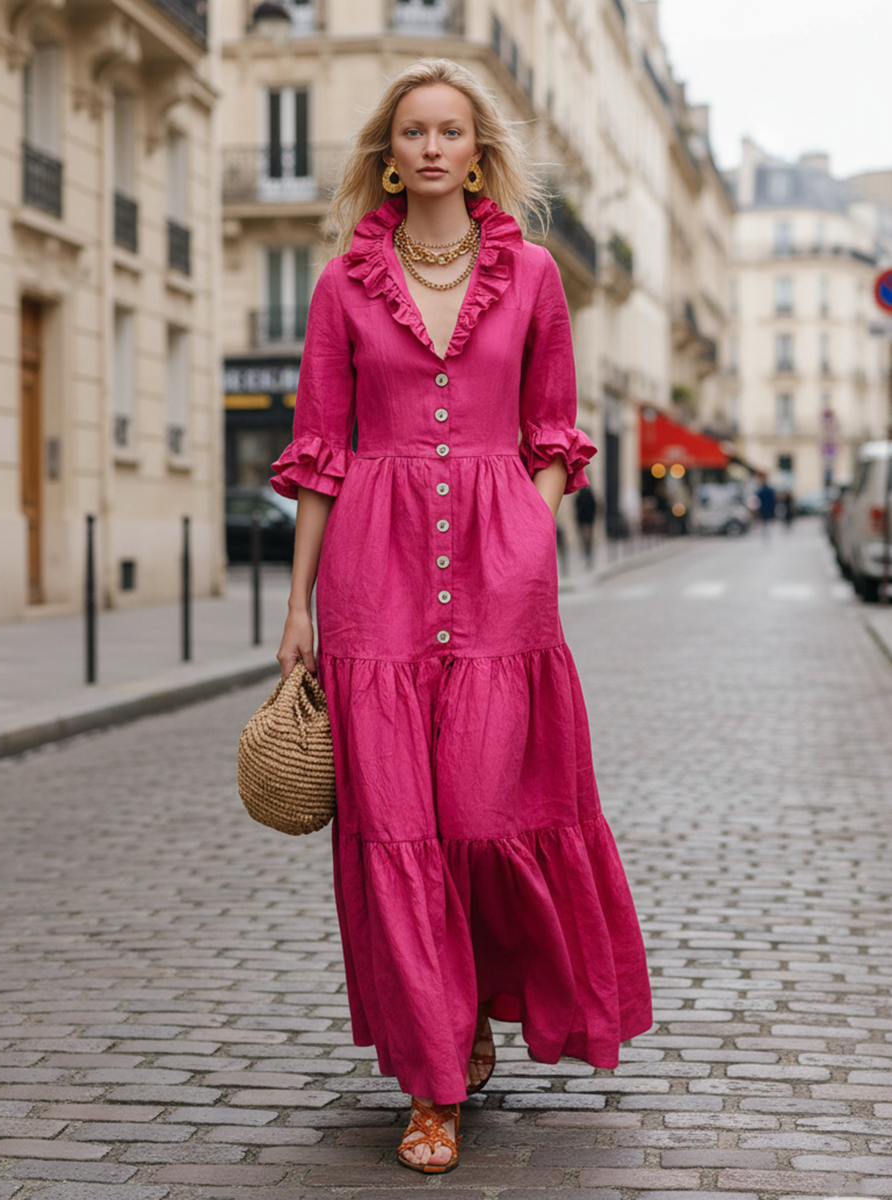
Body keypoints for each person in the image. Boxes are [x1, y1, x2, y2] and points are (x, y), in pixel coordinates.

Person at [271, 59, 651, 1175]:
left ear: (477, 151)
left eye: (451, 130)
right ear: (388, 156)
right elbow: (321, 458)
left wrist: (529, 536)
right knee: (399, 833)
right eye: (412, 132)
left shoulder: (532, 275)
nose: (432, 147)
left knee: (486, 818)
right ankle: (434, 1080)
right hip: (370, 579)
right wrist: (296, 606)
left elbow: (553, 431)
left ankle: (478, 1000)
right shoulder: (343, 286)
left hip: (501, 573)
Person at [575, 485, 598, 567]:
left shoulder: (580, 495)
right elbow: (594, 506)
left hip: (584, 521)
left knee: (585, 538)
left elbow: (576, 508)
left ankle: (587, 552)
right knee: (587, 539)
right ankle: (588, 552)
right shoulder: (589, 494)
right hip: (588, 521)